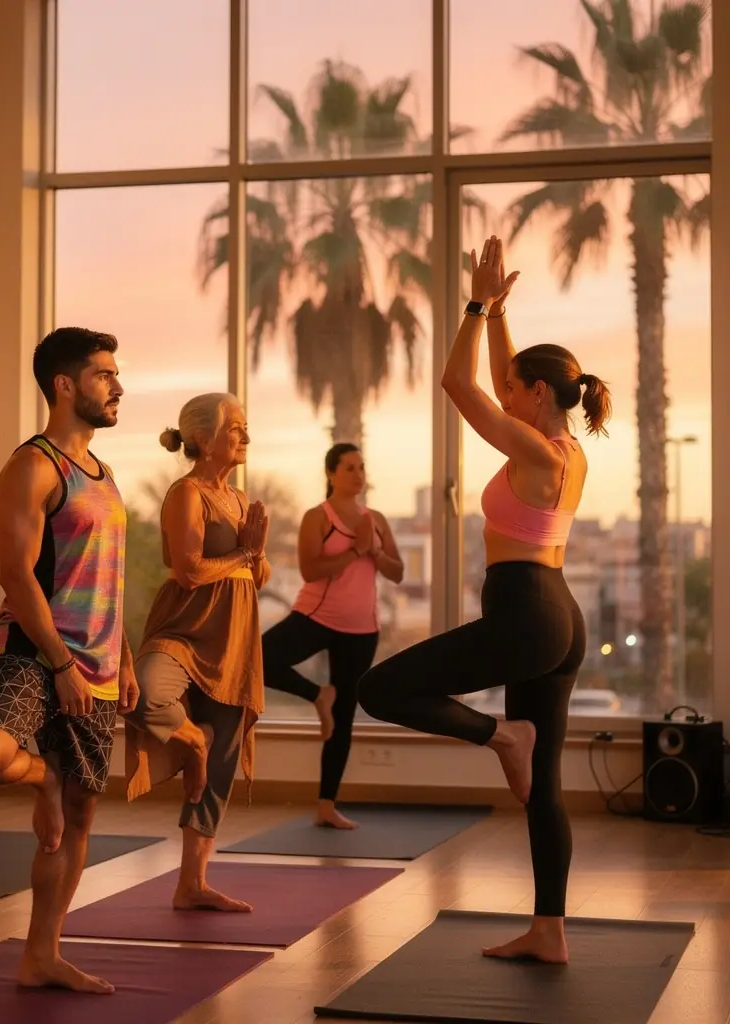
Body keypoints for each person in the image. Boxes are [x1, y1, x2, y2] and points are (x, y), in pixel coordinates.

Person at [357, 235, 612, 965]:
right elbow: (502, 379)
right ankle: (550, 930)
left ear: (539, 397)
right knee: (546, 790)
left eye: (517, 393)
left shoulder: (534, 452)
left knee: (382, 687)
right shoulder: (567, 449)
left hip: (528, 610)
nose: (506, 398)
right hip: (560, 616)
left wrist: (470, 307)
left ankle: (501, 736)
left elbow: (460, 386)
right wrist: (501, 311)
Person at [0, 327, 138, 996]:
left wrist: (126, 658)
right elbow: (18, 577)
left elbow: (108, 578)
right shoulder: (32, 466)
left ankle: (42, 953)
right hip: (36, 651)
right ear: (65, 384)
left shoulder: (106, 476)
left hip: (101, 664)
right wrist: (60, 662)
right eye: (104, 374)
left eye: (117, 374)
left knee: (79, 823)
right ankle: (40, 779)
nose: (118, 386)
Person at [124, 392, 269, 913]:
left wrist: (255, 556)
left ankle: (192, 884)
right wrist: (244, 554)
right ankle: (193, 742)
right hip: (185, 630)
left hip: (233, 638)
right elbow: (187, 571)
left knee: (225, 758)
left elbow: (256, 573)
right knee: (145, 694)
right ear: (204, 440)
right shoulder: (186, 494)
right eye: (237, 429)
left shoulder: (238, 498)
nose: (246, 437)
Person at [261, 443, 404, 829]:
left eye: (362, 467)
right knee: (258, 660)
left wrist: (373, 550)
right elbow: (311, 570)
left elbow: (397, 572)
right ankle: (316, 694)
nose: (358, 475)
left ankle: (327, 805)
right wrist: (356, 551)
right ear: (331, 474)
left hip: (362, 629)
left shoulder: (376, 519)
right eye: (350, 468)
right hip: (316, 616)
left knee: (343, 719)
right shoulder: (317, 517)